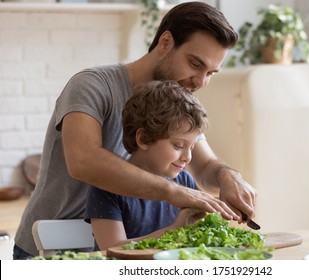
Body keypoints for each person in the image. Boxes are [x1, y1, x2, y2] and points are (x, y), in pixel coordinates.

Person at [13, 1, 257, 259]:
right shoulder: (92, 85)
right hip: (50, 251)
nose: (201, 82)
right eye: (195, 64)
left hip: (125, 251)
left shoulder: (177, 103)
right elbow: (83, 161)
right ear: (165, 43)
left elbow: (206, 167)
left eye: (211, 73)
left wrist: (228, 176)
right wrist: (175, 193)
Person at [86, 80, 208, 250]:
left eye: (192, 147)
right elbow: (112, 250)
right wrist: (174, 230)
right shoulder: (108, 186)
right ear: (143, 139)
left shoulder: (185, 181)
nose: (187, 157)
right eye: (178, 146)